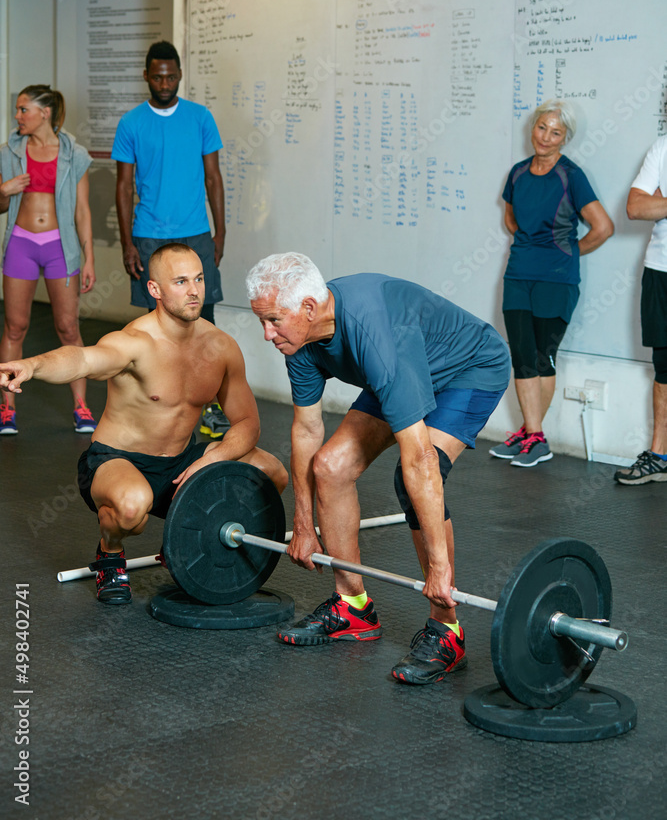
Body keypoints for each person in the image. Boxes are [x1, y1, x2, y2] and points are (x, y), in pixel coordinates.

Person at [246, 252, 510, 685]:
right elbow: (307, 431)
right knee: (330, 466)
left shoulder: (375, 334)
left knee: (411, 484)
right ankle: (353, 606)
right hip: (406, 368)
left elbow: (420, 459)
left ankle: (447, 627)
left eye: (273, 320)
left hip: (468, 368)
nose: (266, 334)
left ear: (309, 308)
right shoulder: (299, 337)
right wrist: (303, 522)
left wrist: (440, 569)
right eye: (263, 320)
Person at [0, 243, 288, 604]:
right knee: (132, 506)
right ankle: (110, 552)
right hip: (118, 461)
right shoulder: (134, 343)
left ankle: (190, 539)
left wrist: (213, 459)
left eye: (199, 279)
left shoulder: (221, 347)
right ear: (155, 290)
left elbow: (247, 423)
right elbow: (82, 360)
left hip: (182, 464)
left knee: (271, 472)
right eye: (180, 281)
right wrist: (33, 366)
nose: (194, 290)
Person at [112, 40, 229, 440]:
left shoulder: (200, 118)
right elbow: (124, 186)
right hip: (148, 236)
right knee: (154, 328)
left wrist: (220, 230)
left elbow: (214, 177)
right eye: (157, 76)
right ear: (146, 76)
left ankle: (211, 409)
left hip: (196, 233)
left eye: (171, 76)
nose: (165, 83)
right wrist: (127, 241)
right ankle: (158, 409)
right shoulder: (131, 123)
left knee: (205, 323)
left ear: (180, 75)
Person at [489, 99, 614, 467]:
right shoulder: (516, 173)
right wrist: (531, 246)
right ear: (533, 128)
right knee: (522, 355)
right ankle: (532, 435)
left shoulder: (571, 175)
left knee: (542, 357)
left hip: (555, 280)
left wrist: (567, 252)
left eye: (555, 132)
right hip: (517, 274)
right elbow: (511, 220)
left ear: (565, 138)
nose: (545, 137)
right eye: (542, 127)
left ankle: (535, 437)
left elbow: (603, 227)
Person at [0, 85, 97, 435]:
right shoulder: (9, 151)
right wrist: (4, 190)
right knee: (15, 327)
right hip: (21, 244)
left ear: (45, 112)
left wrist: (89, 258)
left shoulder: (74, 154)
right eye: (17, 110)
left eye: (23, 109)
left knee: (68, 328)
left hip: (60, 246)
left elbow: (83, 211)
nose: (17, 116)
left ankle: (82, 407)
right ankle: (7, 408)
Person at [615, 135, 667, 484]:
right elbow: (635, 208)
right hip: (661, 270)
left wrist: (660, 202)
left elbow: (651, 206)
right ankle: (660, 455)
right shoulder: (663, 146)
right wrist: (652, 203)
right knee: (664, 368)